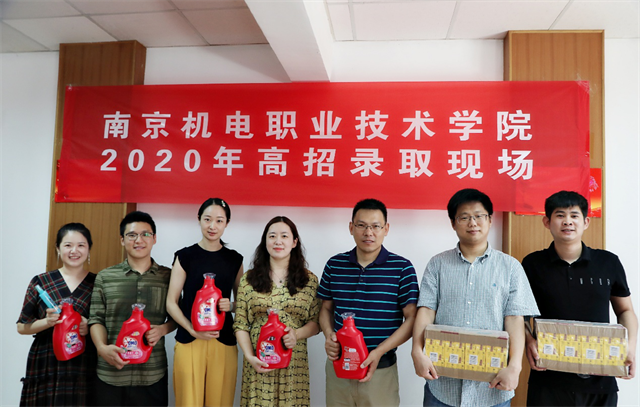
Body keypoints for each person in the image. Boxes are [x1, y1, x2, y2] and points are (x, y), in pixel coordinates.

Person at [412, 188, 539, 407]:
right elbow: (426, 311)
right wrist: (416, 351)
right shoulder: (437, 264)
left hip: (492, 388)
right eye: (464, 217)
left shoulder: (510, 267)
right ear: (453, 223)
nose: (472, 223)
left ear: (490, 220)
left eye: (479, 216)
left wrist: (515, 366)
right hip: (442, 384)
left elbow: (515, 319)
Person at [522, 190, 638, 407]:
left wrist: (630, 347)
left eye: (574, 215)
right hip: (548, 379)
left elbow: (625, 310)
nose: (568, 221)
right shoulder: (532, 264)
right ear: (547, 222)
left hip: (601, 380)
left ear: (586, 222)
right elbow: (518, 315)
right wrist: (528, 340)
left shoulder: (608, 262)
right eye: (560, 215)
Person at [318, 198, 419, 407]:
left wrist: (379, 351)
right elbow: (325, 309)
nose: (368, 232)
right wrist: (329, 335)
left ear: (386, 229)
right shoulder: (334, 264)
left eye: (375, 226)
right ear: (351, 227)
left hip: (381, 371)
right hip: (339, 368)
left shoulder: (402, 268)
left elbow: (412, 319)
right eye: (361, 225)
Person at [88, 211, 175, 407]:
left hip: (152, 372)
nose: (139, 240)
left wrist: (163, 329)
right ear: (122, 240)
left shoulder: (168, 277)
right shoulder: (105, 277)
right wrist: (101, 348)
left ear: (154, 238)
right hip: (111, 372)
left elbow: (178, 316)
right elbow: (96, 318)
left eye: (145, 234)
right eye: (132, 235)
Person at [233, 216, 320, 407]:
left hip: (294, 362)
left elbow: (316, 322)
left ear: (294, 242)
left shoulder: (309, 280)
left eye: (284, 236)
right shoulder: (249, 279)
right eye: (272, 236)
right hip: (259, 361)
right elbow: (240, 324)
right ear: (265, 242)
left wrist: (296, 334)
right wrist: (249, 356)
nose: (278, 241)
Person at [166, 198, 244, 407]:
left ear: (227, 223)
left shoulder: (234, 259)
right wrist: (191, 329)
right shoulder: (185, 256)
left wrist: (231, 306)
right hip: (189, 339)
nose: (212, 226)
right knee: (188, 402)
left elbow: (242, 304)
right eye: (207, 219)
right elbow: (171, 302)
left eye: (219, 221)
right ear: (199, 219)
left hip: (223, 340)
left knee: (220, 402)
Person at [17, 222, 97, 407]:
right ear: (58, 249)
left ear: (88, 249)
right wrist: (47, 322)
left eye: (81, 245)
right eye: (68, 245)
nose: (74, 251)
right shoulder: (41, 282)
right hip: (46, 361)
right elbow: (21, 326)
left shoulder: (98, 283)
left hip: (83, 362)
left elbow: (107, 326)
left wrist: (89, 326)